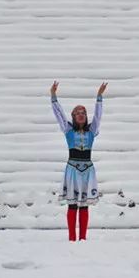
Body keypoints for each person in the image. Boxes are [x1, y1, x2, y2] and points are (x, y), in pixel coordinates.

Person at [50, 80, 107, 241]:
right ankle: (72, 238)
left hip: (87, 170)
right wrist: (53, 96)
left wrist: (99, 98)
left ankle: (83, 238)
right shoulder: (68, 130)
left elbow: (98, 116)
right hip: (73, 170)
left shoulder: (92, 131)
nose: (81, 114)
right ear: (73, 117)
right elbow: (59, 115)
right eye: (77, 112)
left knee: (84, 205)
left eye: (83, 112)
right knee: (72, 204)